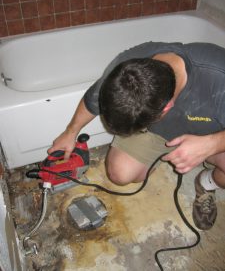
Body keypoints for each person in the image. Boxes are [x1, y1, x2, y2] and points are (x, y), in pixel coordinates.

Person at [48, 42, 225, 231]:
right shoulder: (126, 70)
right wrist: (70, 132)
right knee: (120, 173)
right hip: (161, 130)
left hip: (212, 133)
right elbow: (92, 100)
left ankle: (207, 182)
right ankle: (159, 156)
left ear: (167, 108)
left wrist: (210, 144)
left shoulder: (219, 78)